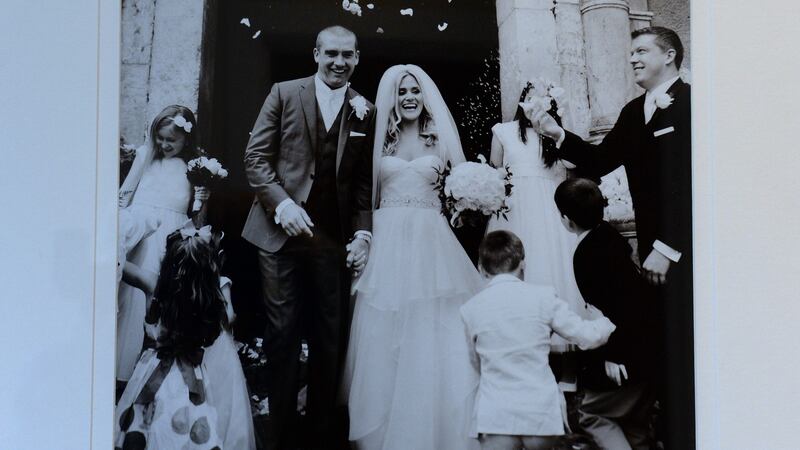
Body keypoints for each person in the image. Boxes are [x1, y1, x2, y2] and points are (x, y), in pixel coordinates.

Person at [527, 26, 693, 449]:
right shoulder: (634, 110)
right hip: (656, 254)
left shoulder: (695, 103)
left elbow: (694, 183)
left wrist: (668, 247)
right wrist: (556, 133)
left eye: (641, 50)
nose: (633, 58)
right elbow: (600, 161)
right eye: (631, 52)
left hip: (684, 251)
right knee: (666, 355)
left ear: (670, 55)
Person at [241, 25, 375, 449]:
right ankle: (279, 435)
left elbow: (361, 185)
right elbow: (256, 158)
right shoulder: (284, 92)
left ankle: (319, 434)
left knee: (329, 337)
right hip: (277, 236)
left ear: (357, 59)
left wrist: (363, 235)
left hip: (332, 240)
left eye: (347, 55)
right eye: (331, 53)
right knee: (282, 332)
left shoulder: (363, 109)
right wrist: (282, 205)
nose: (339, 62)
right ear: (315, 53)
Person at [343, 64, 483, 450]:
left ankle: (436, 426)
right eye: (402, 91)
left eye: (415, 91)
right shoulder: (379, 142)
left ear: (425, 98)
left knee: (433, 327)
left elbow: (459, 190)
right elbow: (362, 194)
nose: (408, 97)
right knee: (384, 329)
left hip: (431, 242)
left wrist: (466, 203)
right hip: (387, 240)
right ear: (392, 97)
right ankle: (385, 431)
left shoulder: (439, 139)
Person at [460, 230, 615, 450]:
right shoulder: (543, 297)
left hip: (495, 414)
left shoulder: (470, 310)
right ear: (522, 263)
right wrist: (603, 322)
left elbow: (475, 363)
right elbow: (588, 337)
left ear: (481, 268)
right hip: (539, 412)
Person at [114, 224, 255, 450]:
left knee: (144, 424)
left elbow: (121, 265)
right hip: (191, 378)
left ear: (167, 263)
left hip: (151, 371)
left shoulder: (154, 286)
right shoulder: (211, 299)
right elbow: (229, 319)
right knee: (187, 425)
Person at [555, 178, 660, 449]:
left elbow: (621, 306)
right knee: (633, 424)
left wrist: (614, 355)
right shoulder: (609, 235)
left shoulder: (587, 255)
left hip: (628, 351)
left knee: (592, 415)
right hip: (649, 344)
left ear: (566, 220)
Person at [117, 105, 208, 385]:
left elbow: (197, 216)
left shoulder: (195, 166)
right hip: (142, 235)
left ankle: (155, 371)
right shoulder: (146, 156)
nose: (164, 144)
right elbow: (125, 194)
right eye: (161, 137)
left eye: (172, 140)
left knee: (164, 301)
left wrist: (203, 198)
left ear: (187, 140)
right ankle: (124, 371)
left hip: (173, 239)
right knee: (131, 301)